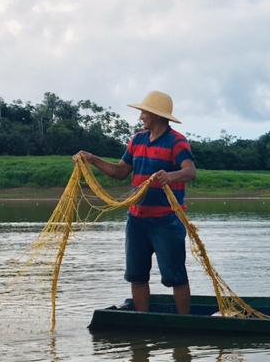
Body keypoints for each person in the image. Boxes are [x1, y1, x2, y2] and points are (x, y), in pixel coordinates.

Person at [73, 90, 198, 314]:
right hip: (137, 220)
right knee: (137, 275)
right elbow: (120, 171)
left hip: (167, 220)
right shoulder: (137, 140)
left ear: (157, 115)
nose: (141, 116)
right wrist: (92, 159)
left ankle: (184, 325)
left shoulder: (177, 141)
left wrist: (170, 176)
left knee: (175, 276)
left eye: (144, 112)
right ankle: (142, 320)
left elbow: (190, 171)